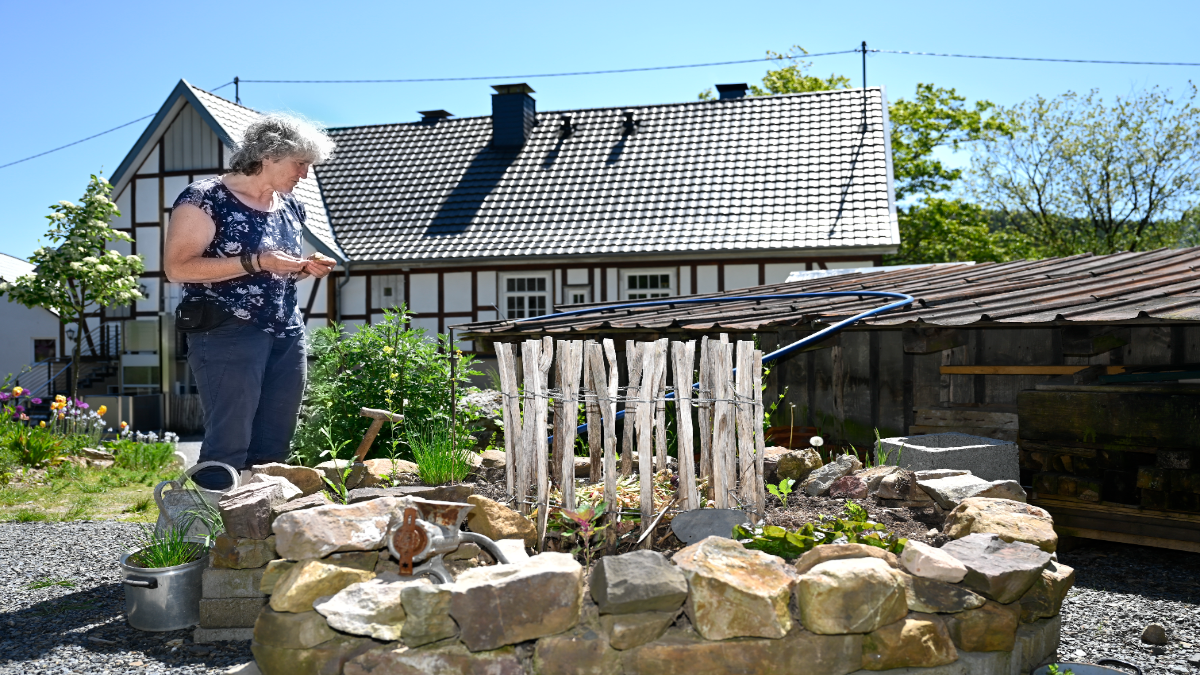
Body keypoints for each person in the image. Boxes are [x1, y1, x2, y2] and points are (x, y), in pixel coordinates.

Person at [164, 114, 336, 489]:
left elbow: (277, 270)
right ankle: (204, 532)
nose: (305, 175)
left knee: (275, 441)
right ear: (271, 154)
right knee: (229, 441)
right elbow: (177, 268)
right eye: (300, 163)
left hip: (286, 331)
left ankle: (254, 537)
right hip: (226, 329)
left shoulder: (291, 207)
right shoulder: (205, 198)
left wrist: (305, 267)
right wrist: (257, 261)